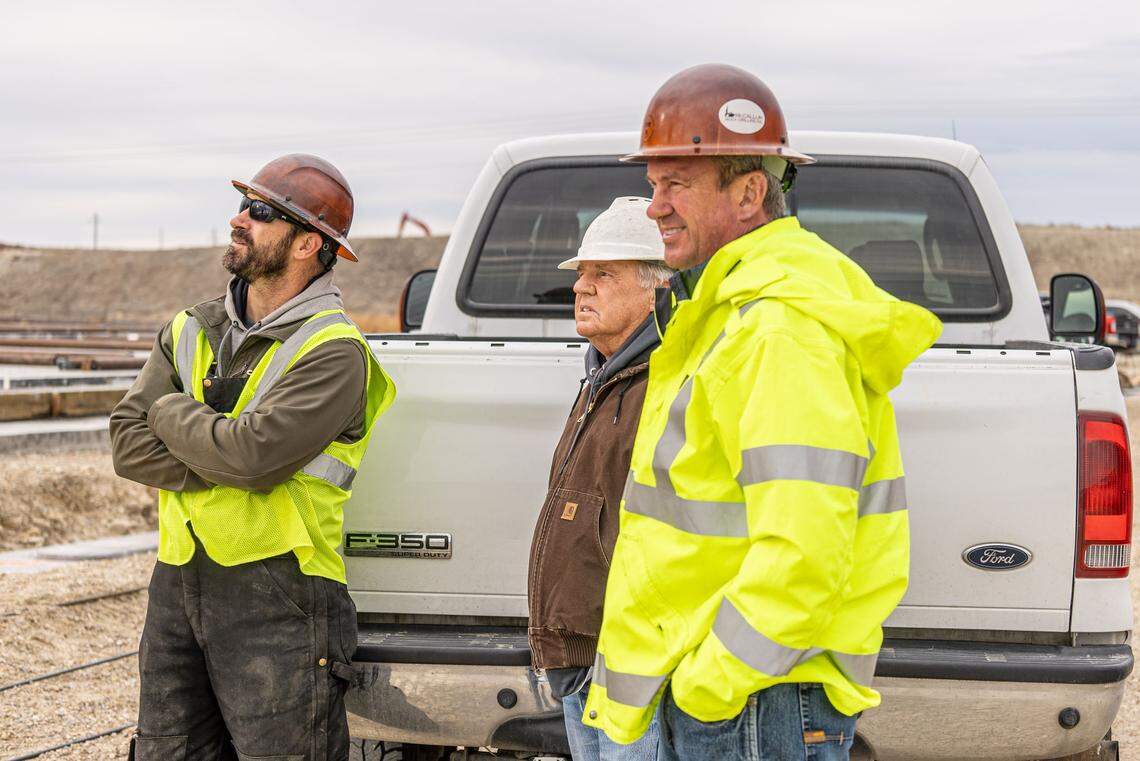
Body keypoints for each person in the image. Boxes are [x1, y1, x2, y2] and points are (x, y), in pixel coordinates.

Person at [582, 65, 943, 760]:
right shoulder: (733, 311)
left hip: (751, 702)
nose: (653, 206)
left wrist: (711, 684)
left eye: (675, 185)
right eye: (654, 184)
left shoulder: (778, 327)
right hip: (742, 696)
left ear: (750, 192)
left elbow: (805, 548)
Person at [110, 154, 395, 761]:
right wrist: (221, 453)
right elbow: (126, 444)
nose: (240, 220)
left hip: (283, 594)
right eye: (244, 206)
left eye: (262, 212)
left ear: (306, 245)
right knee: (169, 752)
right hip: (178, 584)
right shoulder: (191, 327)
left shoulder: (333, 351)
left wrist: (168, 413)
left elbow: (253, 457)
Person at [528, 197, 672, 760]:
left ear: (657, 289)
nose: (580, 287)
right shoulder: (602, 378)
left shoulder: (666, 384)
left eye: (603, 274)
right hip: (586, 653)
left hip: (632, 664)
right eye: (581, 274)